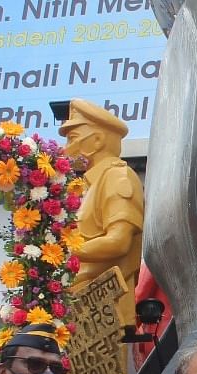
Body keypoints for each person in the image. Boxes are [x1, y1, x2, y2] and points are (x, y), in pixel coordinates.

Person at [59, 98, 144, 327]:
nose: (65, 148)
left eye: (72, 139)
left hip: (106, 311)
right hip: (83, 305)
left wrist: (61, 253)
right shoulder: (88, 186)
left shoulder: (117, 177)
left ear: (96, 140)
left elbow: (118, 242)